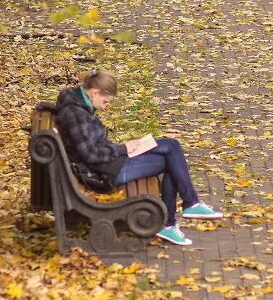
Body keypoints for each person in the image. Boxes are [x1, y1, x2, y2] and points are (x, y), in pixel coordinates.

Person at [54, 69, 224, 247]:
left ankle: (184, 209)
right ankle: (176, 216)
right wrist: (123, 149)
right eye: (105, 101)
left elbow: (92, 146)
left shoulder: (78, 101)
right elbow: (92, 155)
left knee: (171, 145)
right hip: (105, 171)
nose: (104, 107)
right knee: (171, 161)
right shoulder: (75, 113)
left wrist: (124, 148)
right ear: (95, 92)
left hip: (110, 162)